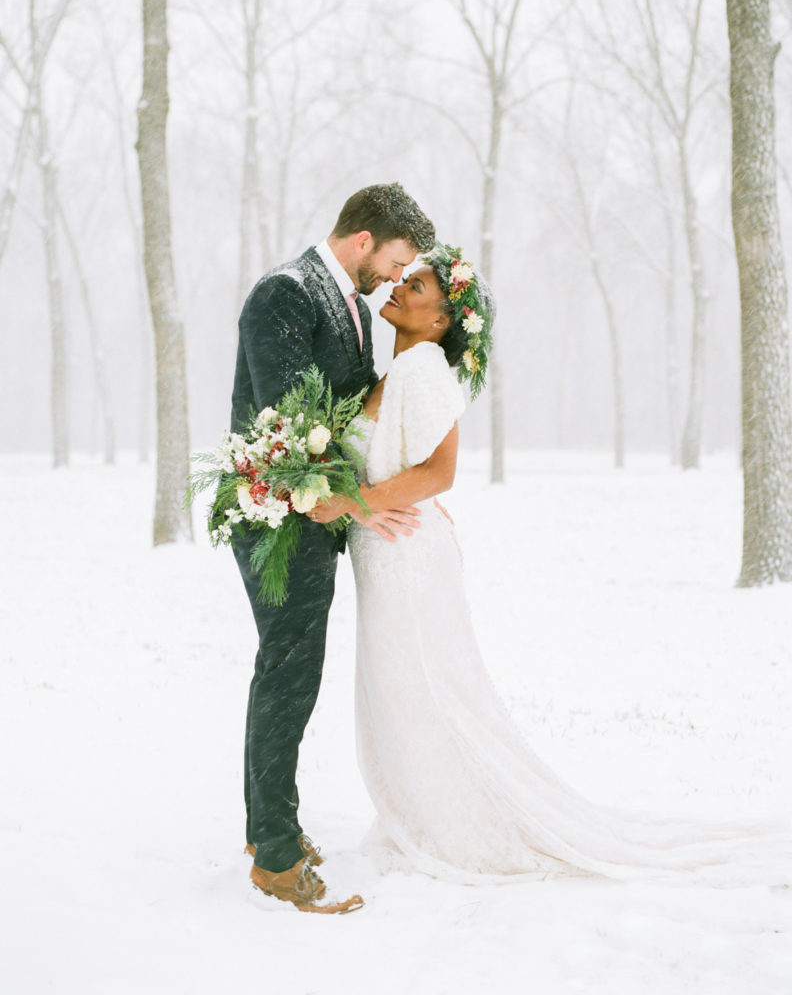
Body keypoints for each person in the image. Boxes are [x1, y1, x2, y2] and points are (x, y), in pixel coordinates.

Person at [312, 243, 790, 887]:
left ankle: (448, 825)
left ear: (441, 322)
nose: (401, 289)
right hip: (387, 555)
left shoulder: (423, 369)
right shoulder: (397, 369)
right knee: (402, 697)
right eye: (408, 280)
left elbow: (440, 471)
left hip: (408, 564)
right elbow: (403, 464)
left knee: (424, 695)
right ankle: (418, 811)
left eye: (418, 288)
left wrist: (353, 502)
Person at [230, 182, 435, 914]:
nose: (395, 276)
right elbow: (286, 425)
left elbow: (346, 409)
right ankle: (277, 861)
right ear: (364, 239)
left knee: (291, 674)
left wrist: (427, 366)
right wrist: (354, 505)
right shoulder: (284, 294)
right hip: (276, 521)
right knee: (287, 674)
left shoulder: (348, 303)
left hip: (314, 520)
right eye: (396, 260)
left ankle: (268, 831)